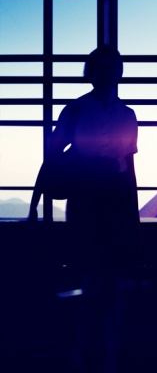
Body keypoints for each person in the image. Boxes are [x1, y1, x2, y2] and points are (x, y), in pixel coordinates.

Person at [46, 45, 141, 269]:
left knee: (107, 264)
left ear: (119, 73)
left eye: (112, 68)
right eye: (102, 68)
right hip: (86, 194)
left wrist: (132, 213)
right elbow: (52, 157)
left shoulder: (127, 115)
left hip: (109, 195)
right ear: (91, 73)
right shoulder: (75, 110)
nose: (108, 74)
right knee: (92, 261)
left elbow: (129, 166)